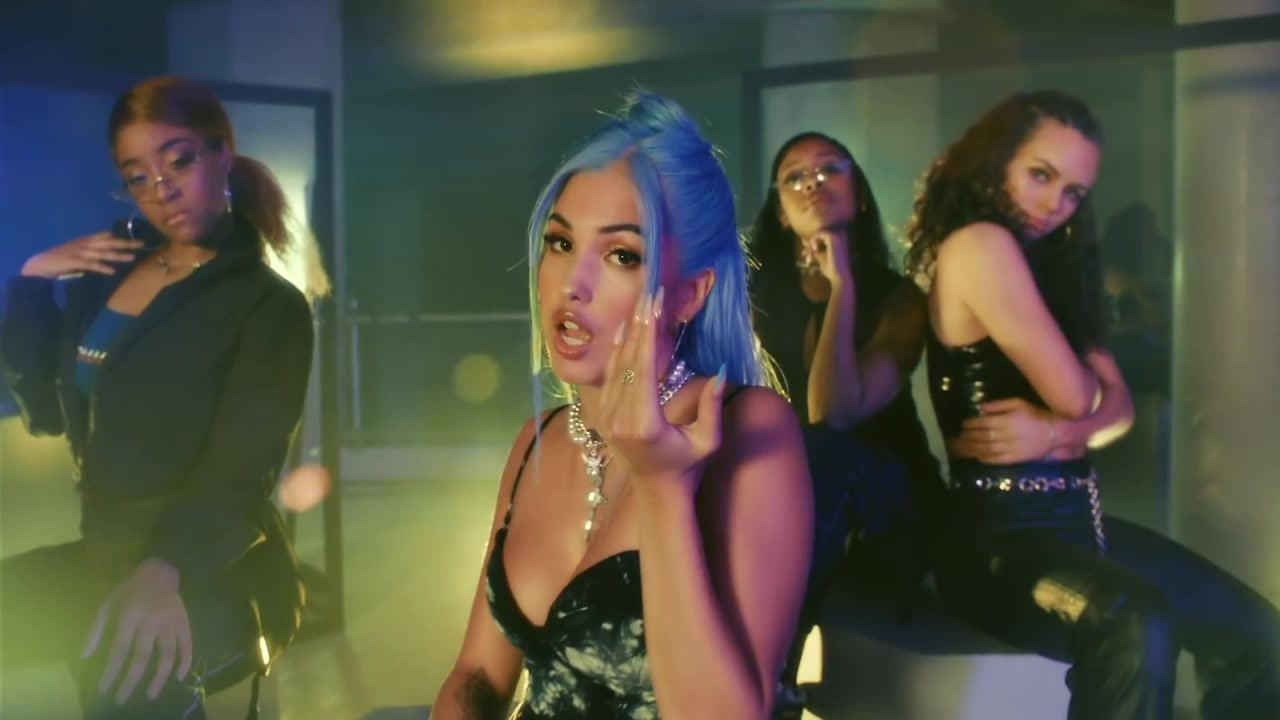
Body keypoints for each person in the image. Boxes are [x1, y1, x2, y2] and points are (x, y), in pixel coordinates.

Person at [431, 90, 814, 720]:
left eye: (621, 256)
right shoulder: (537, 439)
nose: (571, 286)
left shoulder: (750, 430)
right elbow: (476, 674)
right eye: (559, 243)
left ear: (689, 293)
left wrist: (662, 485)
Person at [905, 88, 1280, 719]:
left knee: (1255, 632)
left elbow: (1120, 411)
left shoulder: (1055, 267)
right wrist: (1078, 412)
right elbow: (1080, 395)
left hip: (1080, 524)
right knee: (1136, 622)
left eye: (1074, 192)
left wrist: (1054, 435)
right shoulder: (979, 243)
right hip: (995, 539)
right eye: (1041, 174)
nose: (1055, 204)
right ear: (993, 161)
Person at [0, 76, 329, 719]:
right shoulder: (108, 276)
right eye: (138, 176)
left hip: (209, 560)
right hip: (106, 551)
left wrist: (165, 570)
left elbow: (243, 467)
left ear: (222, 152)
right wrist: (33, 283)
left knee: (126, 687)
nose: (161, 188)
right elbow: (44, 411)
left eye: (178, 161)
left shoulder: (266, 305)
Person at [748, 132, 943, 717]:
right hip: (793, 508)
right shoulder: (754, 299)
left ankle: (771, 675)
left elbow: (833, 414)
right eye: (795, 177)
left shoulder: (901, 298)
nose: (813, 184)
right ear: (780, 211)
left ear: (858, 194)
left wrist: (843, 289)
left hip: (887, 511)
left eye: (829, 170)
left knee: (823, 449)